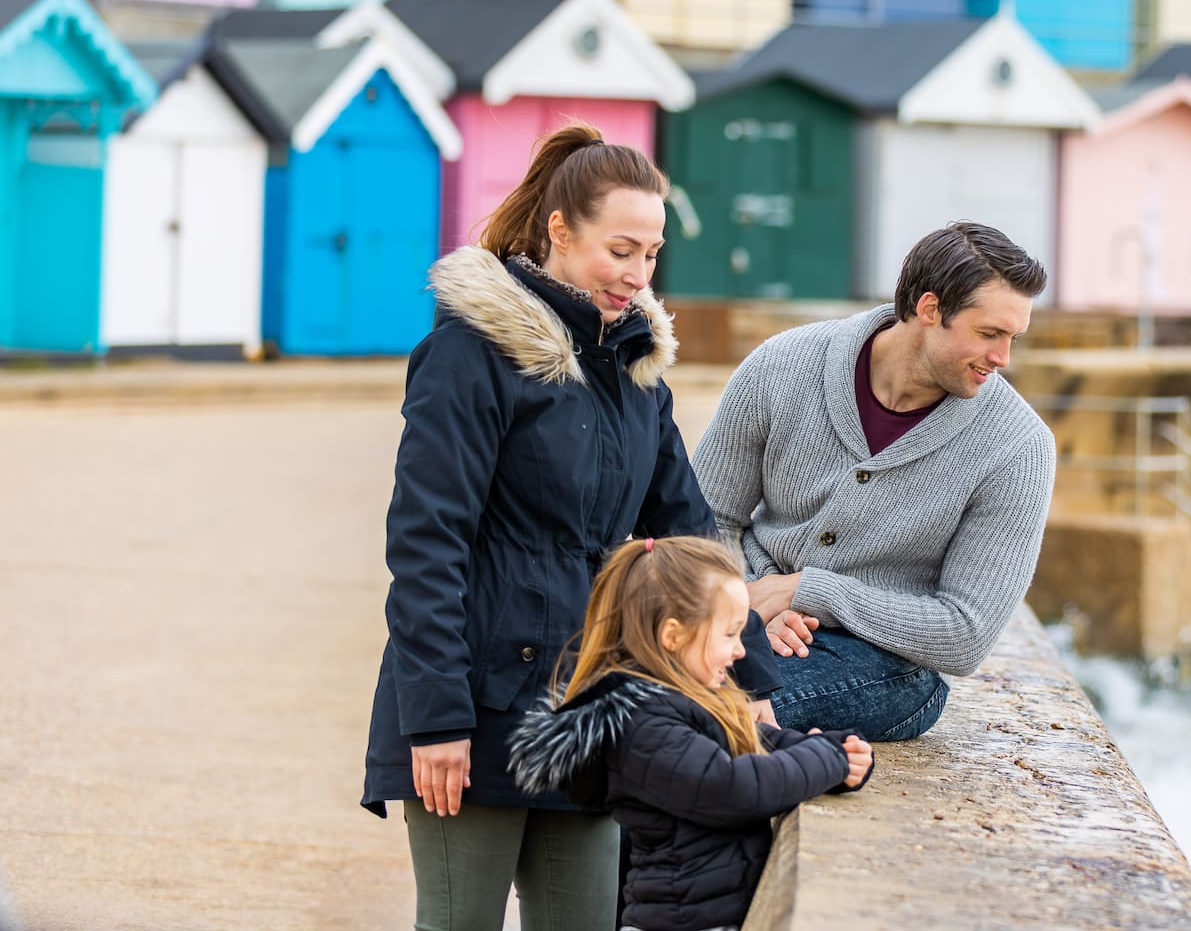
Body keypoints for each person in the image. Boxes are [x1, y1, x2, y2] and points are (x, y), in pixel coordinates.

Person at [360, 125, 781, 931]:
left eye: (651, 254)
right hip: (475, 704)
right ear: (560, 230)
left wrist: (750, 682)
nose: (637, 275)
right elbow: (426, 544)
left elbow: (689, 532)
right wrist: (437, 718)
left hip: (593, 706)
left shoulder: (636, 373)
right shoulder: (469, 354)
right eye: (619, 249)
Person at [692, 221, 1058, 741]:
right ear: (930, 309)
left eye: (1013, 338)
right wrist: (747, 607)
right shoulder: (783, 365)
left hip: (881, 660)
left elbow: (965, 633)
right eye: (989, 334)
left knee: (704, 712)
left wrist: (808, 591)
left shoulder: (1018, 446)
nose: (1003, 359)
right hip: (743, 607)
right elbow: (706, 517)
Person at [509, 537, 873, 931]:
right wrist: (826, 759)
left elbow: (758, 742)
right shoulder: (643, 726)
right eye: (729, 634)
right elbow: (732, 789)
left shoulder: (695, 702)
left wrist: (840, 751)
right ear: (673, 636)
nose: (740, 652)